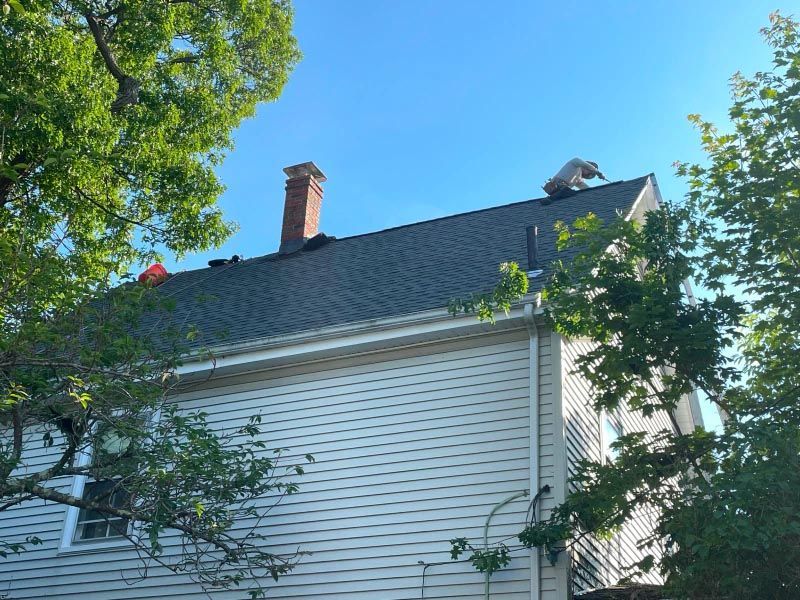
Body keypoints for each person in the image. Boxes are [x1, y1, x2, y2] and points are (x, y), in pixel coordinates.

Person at [542, 158, 606, 202]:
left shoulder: (578, 178)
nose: (588, 174)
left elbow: (585, 188)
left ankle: (551, 198)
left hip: (560, 189)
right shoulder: (575, 163)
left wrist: (594, 194)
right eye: (589, 172)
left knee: (570, 192)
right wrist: (598, 173)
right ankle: (550, 198)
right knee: (567, 190)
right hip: (556, 185)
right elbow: (585, 164)